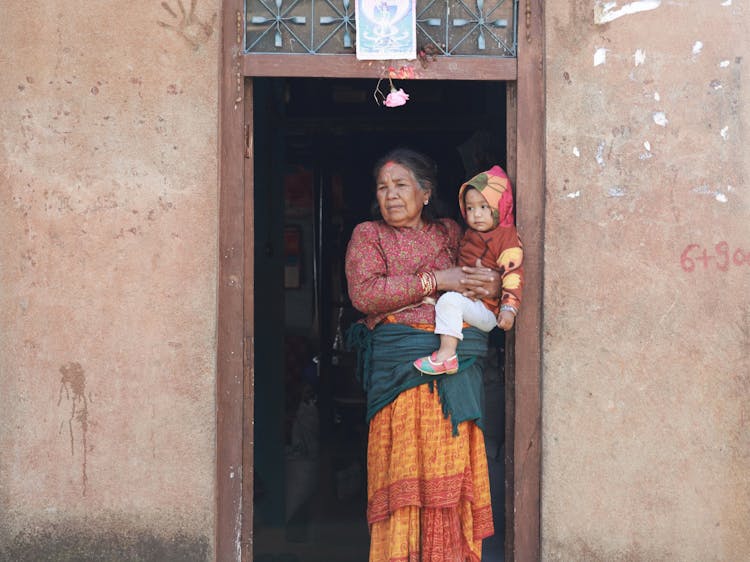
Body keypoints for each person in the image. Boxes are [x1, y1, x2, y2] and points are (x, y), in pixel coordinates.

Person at [345, 148, 501, 561]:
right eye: (382, 187)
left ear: (426, 193)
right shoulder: (368, 235)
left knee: (450, 475)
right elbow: (366, 294)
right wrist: (436, 280)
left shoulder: (451, 232)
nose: (391, 195)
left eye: (400, 185)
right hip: (399, 375)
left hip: (453, 376)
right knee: (403, 476)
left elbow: (480, 275)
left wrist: (487, 283)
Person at [413, 165, 523, 375]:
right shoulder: (469, 235)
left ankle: (446, 355)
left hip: (489, 310)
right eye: (470, 208)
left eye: (484, 207)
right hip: (472, 304)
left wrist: (509, 309)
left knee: (448, 301)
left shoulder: (506, 239)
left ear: (502, 205)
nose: (476, 215)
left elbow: (514, 275)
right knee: (450, 301)